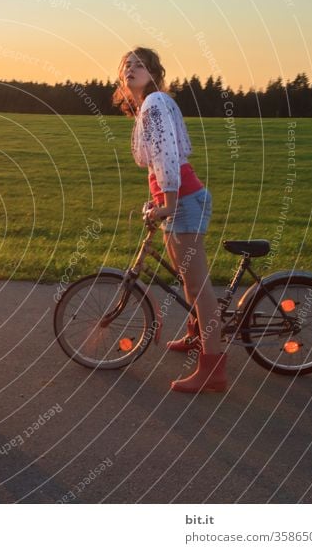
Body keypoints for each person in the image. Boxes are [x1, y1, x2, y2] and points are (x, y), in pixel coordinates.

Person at [113, 47, 227, 393]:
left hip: (185, 201)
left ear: (155, 72)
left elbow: (169, 156)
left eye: (140, 65)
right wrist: (158, 200)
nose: (132, 69)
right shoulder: (150, 106)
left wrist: (170, 202)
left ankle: (213, 369)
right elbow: (163, 161)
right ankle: (197, 336)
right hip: (179, 198)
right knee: (186, 277)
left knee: (197, 286)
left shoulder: (154, 104)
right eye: (127, 65)